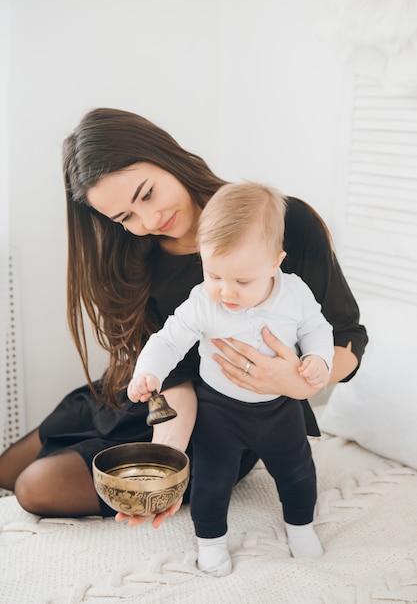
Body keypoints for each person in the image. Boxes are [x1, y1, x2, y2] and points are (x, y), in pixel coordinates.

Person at [0, 108, 368, 525]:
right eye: (125, 218)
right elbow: (171, 374)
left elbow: (348, 334)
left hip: (226, 418)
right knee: (8, 470)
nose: (150, 220)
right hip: (155, 396)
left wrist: (297, 383)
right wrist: (166, 447)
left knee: (37, 486)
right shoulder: (131, 257)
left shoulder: (279, 220)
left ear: (166, 155)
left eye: (147, 194)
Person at [128, 182, 334, 575]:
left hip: (280, 407)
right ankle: (210, 541)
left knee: (298, 471)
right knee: (210, 480)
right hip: (219, 411)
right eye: (214, 274)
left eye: (242, 281)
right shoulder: (204, 302)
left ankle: (301, 526)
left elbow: (318, 329)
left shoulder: (295, 293)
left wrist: (318, 360)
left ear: (276, 263)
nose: (226, 292)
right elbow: (168, 340)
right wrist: (148, 371)